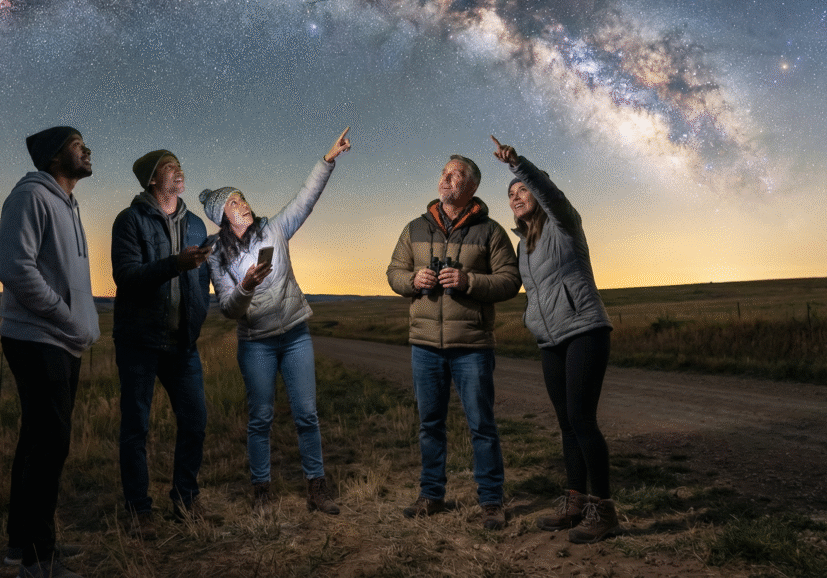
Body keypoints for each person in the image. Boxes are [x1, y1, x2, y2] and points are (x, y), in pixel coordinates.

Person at [200, 128, 351, 515]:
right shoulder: (218, 256)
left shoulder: (274, 229)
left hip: (295, 335)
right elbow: (229, 310)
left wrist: (327, 160)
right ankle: (261, 493)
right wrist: (247, 286)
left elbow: (305, 200)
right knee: (261, 418)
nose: (244, 204)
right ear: (222, 215)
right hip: (257, 345)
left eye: (243, 198)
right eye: (234, 203)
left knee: (306, 414)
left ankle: (317, 490)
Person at [491, 135, 620, 543]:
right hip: (550, 340)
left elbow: (552, 194)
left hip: (584, 330)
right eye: (511, 194)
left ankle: (604, 509)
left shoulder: (564, 223)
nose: (516, 196)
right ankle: (575, 500)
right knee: (566, 424)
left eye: (522, 189)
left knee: (583, 419)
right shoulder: (522, 246)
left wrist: (518, 165)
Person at [386, 154, 520, 530]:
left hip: (473, 345)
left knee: (482, 424)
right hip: (425, 345)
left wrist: (469, 283)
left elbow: (510, 280)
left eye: (457, 175)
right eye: (445, 173)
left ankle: (491, 501)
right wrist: (414, 281)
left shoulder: (491, 231)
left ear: (472, 187)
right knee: (430, 424)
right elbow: (394, 271)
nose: (447, 179)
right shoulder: (414, 228)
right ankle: (431, 495)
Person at [0, 126, 100, 578]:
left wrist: (79, 324)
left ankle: (23, 544)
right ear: (56, 157)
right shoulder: (30, 197)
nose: (88, 149)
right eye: (78, 145)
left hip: (60, 339)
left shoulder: (68, 203)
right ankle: (40, 561)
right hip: (36, 337)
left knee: (37, 443)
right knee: (50, 445)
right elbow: (15, 268)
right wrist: (64, 316)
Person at [110, 150, 214, 534]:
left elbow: (202, 282)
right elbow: (127, 277)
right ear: (152, 179)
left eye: (179, 165)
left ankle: (186, 500)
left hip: (183, 343)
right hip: (139, 342)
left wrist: (198, 316)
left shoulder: (197, 226)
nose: (179, 171)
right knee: (136, 426)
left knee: (195, 421)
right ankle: (139, 511)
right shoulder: (130, 220)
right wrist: (174, 264)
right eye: (170, 167)